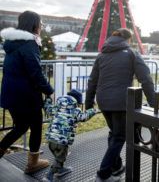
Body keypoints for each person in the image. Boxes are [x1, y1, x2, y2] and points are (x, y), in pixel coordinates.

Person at [85, 28, 155, 182]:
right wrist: (153, 103)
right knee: (119, 136)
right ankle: (103, 174)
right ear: (128, 39)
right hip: (121, 101)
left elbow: (92, 81)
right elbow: (145, 78)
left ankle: (116, 167)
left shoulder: (102, 55)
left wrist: (88, 103)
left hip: (103, 101)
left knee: (114, 133)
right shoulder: (131, 53)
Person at [0, 10, 54, 173]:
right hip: (26, 96)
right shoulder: (29, 43)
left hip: (11, 94)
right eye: (41, 23)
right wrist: (49, 90)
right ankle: (33, 164)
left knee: (21, 126)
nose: (41, 27)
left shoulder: (13, 43)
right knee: (36, 126)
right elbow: (35, 72)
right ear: (34, 25)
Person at [43, 89, 98, 181]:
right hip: (62, 141)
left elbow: (48, 109)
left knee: (59, 157)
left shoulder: (57, 107)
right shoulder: (74, 110)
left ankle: (60, 169)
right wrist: (93, 110)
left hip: (51, 139)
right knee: (60, 158)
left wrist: (48, 100)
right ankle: (49, 176)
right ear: (76, 101)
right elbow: (83, 117)